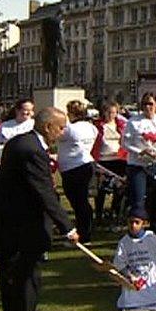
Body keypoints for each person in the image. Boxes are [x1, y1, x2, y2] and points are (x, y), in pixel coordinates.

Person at [0, 107, 79, 311]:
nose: (62, 133)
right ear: (48, 126)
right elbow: (44, 192)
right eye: (60, 128)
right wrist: (67, 227)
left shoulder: (19, 142)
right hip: (21, 224)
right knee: (27, 278)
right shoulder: (31, 150)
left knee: (10, 276)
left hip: (6, 220)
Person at [122, 93, 156, 228]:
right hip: (137, 165)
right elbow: (125, 143)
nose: (148, 107)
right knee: (138, 198)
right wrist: (139, 152)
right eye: (144, 104)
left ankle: (154, 226)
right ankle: (136, 228)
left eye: (150, 104)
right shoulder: (133, 122)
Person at [105, 206, 156, 311]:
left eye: (137, 222)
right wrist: (129, 275)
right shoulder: (124, 242)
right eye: (130, 222)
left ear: (145, 223)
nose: (133, 225)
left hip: (151, 289)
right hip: (132, 290)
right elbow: (119, 264)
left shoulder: (152, 240)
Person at [58, 100, 98, 244]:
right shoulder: (91, 128)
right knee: (82, 202)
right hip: (86, 164)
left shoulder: (70, 129)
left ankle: (84, 234)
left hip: (72, 168)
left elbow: (57, 136)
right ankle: (85, 231)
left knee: (78, 202)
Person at [94, 102, 128, 224]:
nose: (111, 115)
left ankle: (115, 211)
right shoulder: (98, 126)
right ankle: (98, 215)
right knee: (101, 190)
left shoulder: (121, 125)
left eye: (113, 112)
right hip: (103, 160)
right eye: (109, 112)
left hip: (119, 160)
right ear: (104, 112)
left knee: (119, 188)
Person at [0, 99, 35, 166]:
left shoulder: (34, 125)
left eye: (30, 110)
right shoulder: (5, 126)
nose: (27, 112)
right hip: (6, 160)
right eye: (25, 110)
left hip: (27, 161)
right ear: (17, 110)